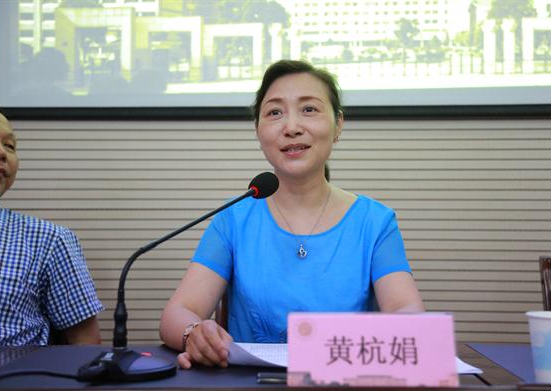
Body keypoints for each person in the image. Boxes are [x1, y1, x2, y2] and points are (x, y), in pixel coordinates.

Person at [159, 60, 425, 369]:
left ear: (338, 124)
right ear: (258, 130)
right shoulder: (234, 218)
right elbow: (177, 313)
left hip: (343, 385)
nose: (292, 127)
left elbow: (407, 312)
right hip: (250, 388)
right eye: (275, 112)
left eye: (309, 109)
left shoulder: (375, 222)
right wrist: (194, 333)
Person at [0, 104, 103, 346]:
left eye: (9, 146)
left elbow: (85, 345)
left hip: (12, 369)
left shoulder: (48, 240)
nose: (1, 153)